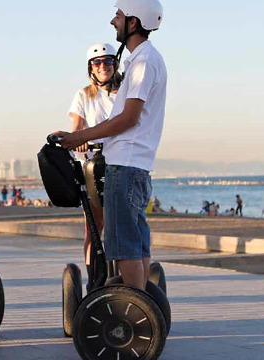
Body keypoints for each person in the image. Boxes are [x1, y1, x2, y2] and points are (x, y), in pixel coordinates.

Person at [54, 0, 166, 291]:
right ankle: (143, 306)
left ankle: (133, 313)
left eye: (118, 16)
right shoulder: (141, 60)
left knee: (124, 244)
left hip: (125, 165)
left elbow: (128, 118)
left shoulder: (142, 62)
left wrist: (78, 137)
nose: (113, 22)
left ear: (133, 22)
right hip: (135, 165)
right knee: (137, 243)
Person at [68, 42, 119, 284]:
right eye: (97, 63)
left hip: (119, 162)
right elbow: (76, 127)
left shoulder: (124, 93)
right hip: (93, 166)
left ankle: (119, 275)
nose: (103, 66)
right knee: (95, 225)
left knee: (119, 224)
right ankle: (94, 277)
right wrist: (79, 140)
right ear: (90, 68)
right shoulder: (83, 95)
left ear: (115, 64)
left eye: (107, 61)